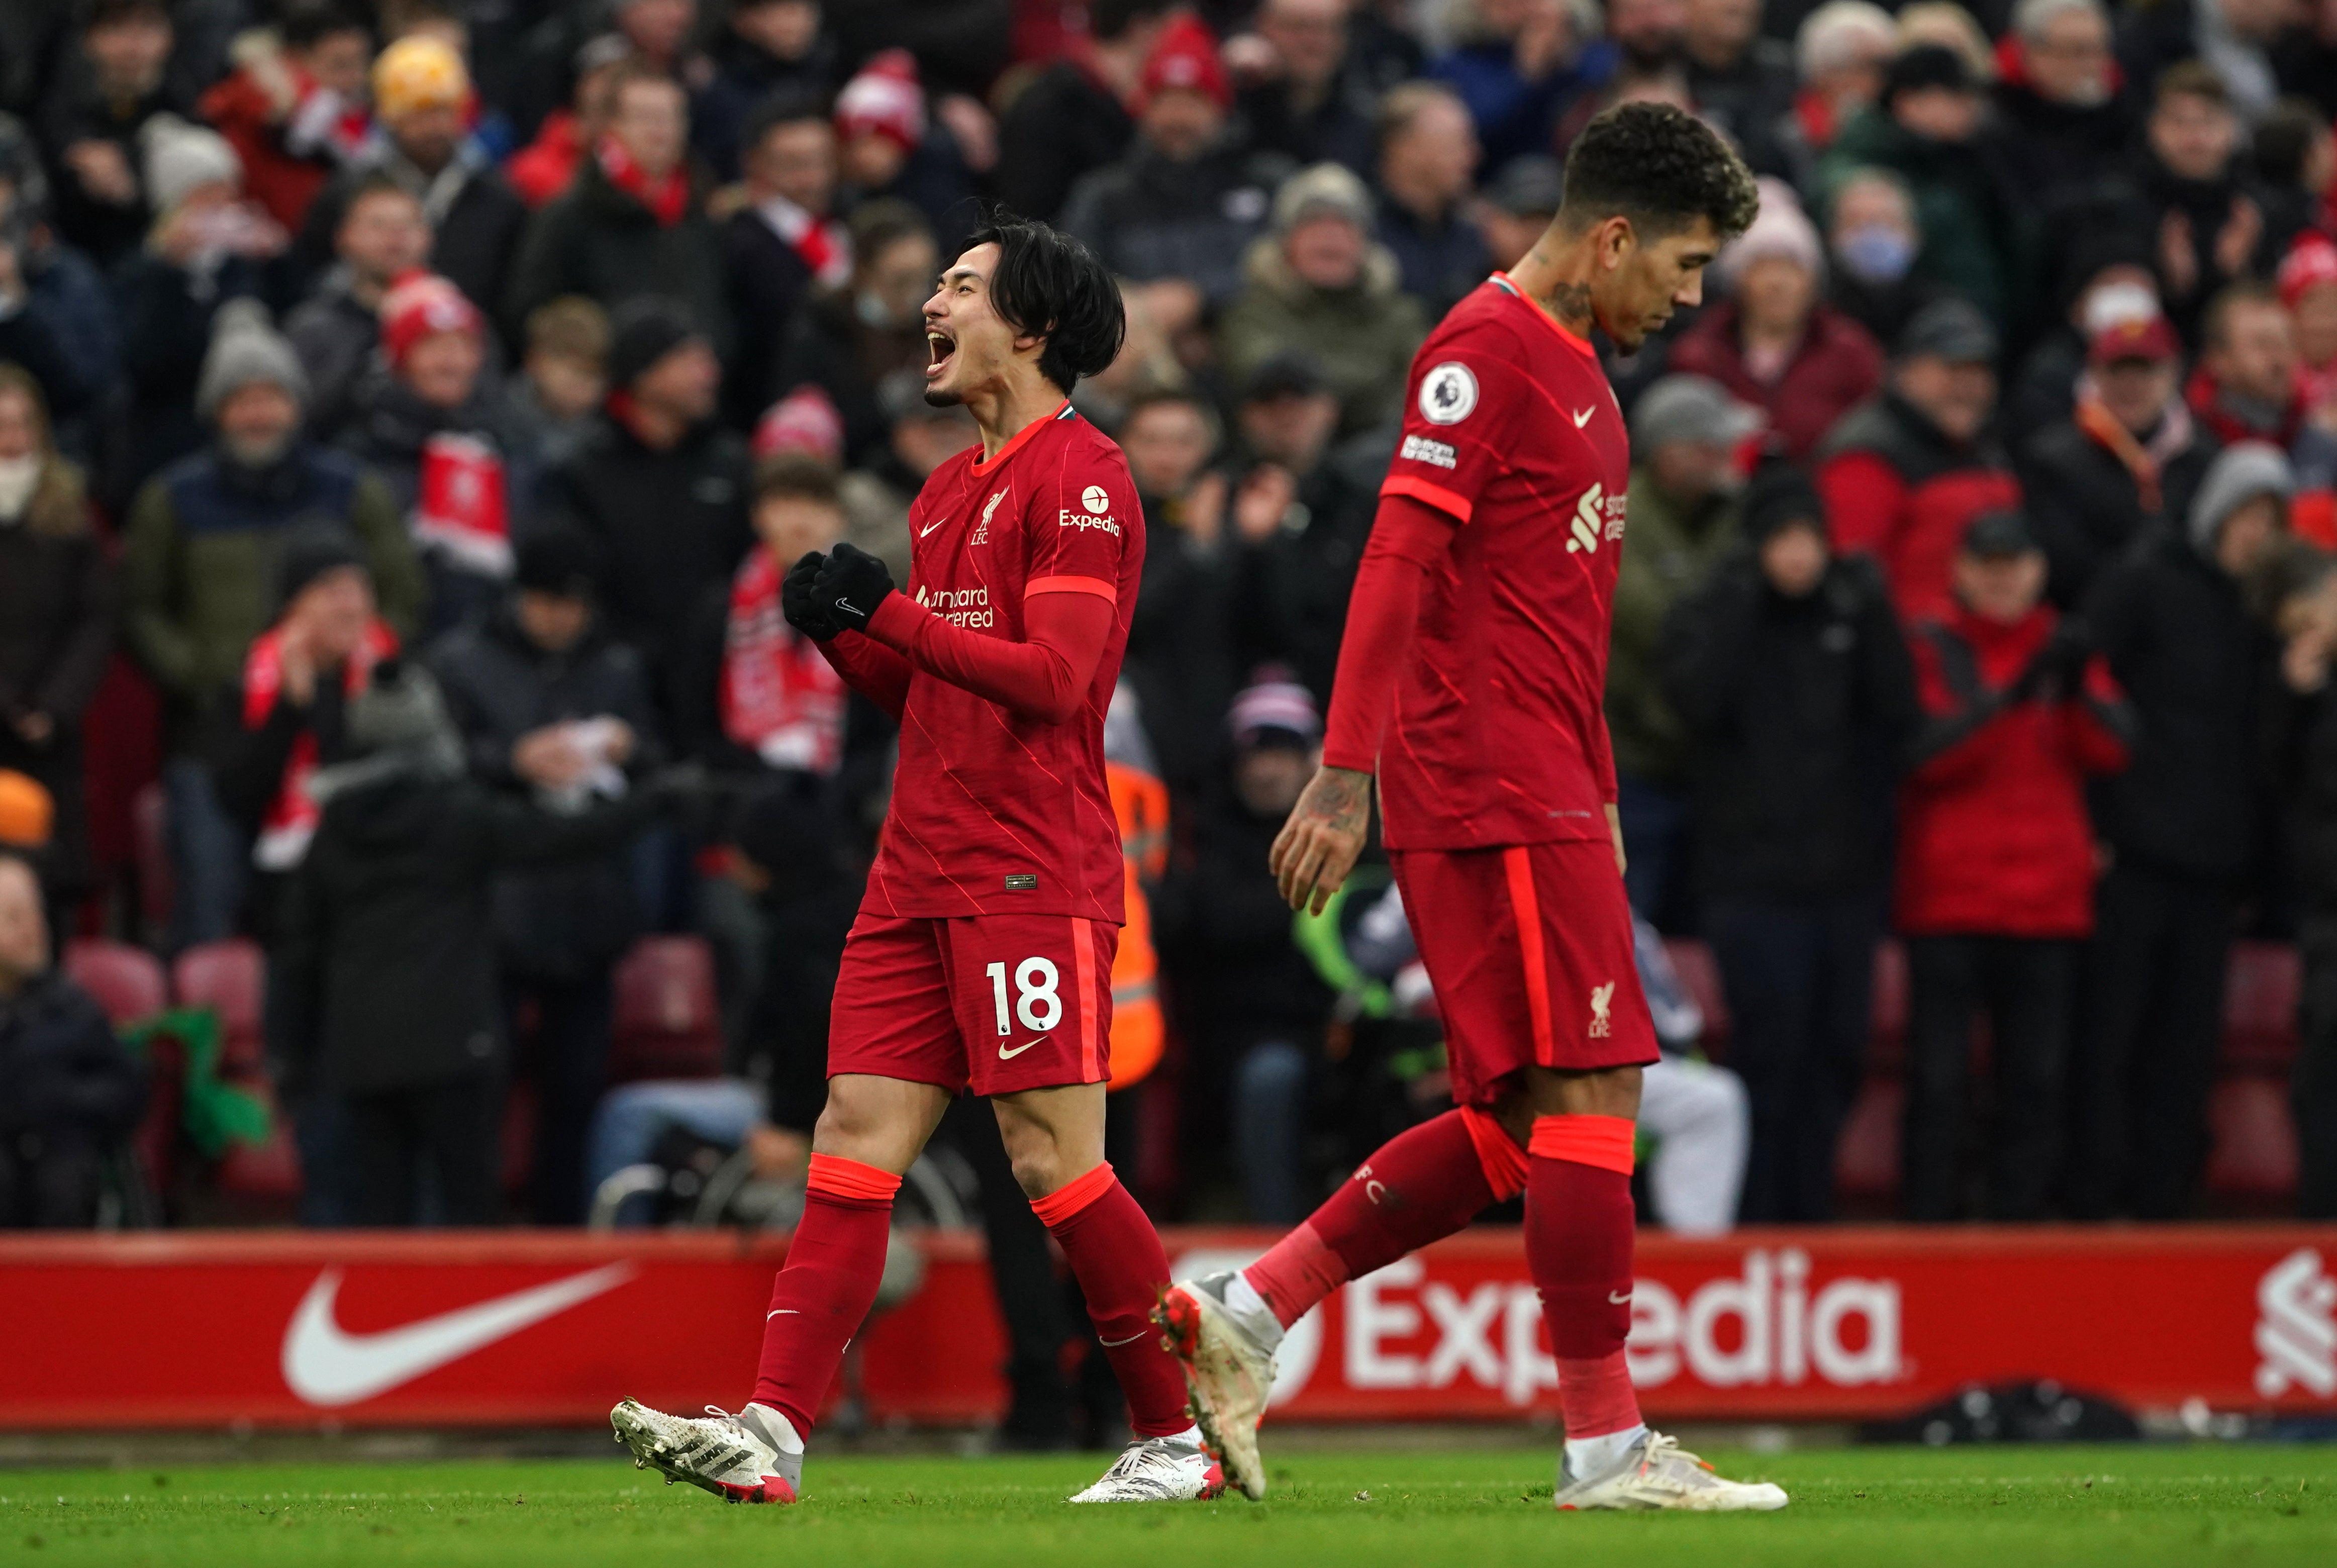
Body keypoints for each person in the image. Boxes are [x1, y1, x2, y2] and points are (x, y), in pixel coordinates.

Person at [1157, 103, 1783, 1512]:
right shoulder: (1481, 352)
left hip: (1554, 782)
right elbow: (1395, 562)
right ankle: (1606, 1448)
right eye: (1680, 266)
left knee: (1519, 1123)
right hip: (1487, 781)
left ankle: (1252, 1310)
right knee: (1595, 1090)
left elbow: (1561, 623)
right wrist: (1344, 767)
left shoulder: (1575, 366)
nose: (1686, 300)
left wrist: (1605, 799)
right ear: (1610, 236)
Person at [611, 217, 1209, 1506]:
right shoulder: (948, 488)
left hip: (1025, 866)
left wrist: (887, 612)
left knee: (1054, 1160)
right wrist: (842, 632)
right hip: (918, 863)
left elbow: (1050, 682)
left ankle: (1180, 1430)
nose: (932, 304)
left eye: (961, 287)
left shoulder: (1086, 476)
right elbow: (936, 692)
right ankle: (774, 1429)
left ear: (1032, 329)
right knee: (853, 1132)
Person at [272, 658, 688, 1227]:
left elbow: (297, 952)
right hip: (455, 1041)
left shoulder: (331, 835)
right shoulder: (458, 816)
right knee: (469, 1213)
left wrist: (290, 1056)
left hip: (361, 1049)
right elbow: (565, 838)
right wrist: (656, 800)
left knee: (380, 1223)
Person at [122, 302, 424, 947]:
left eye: (273, 398)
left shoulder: (349, 489)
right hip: (213, 739)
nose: (259, 414)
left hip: (344, 737)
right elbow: (140, 608)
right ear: (217, 411)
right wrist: (202, 674)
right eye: (242, 400)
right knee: (211, 904)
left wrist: (361, 658)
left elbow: (403, 591)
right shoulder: (173, 499)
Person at [1663, 462, 1917, 1224]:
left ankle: (1811, 1213)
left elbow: (1897, 715)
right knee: (1767, 1056)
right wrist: (1742, 604)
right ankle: (1757, 1220)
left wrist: (1873, 618)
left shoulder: (1851, 609)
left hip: (1843, 880)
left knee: (1837, 1052)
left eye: (1810, 537)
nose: (1799, 555)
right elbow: (1694, 704)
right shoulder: (1717, 610)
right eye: (1782, 538)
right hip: (1750, 884)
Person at [2069, 441, 2288, 1219]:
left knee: (2185, 1053)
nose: (2253, 536)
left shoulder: (2263, 615)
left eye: (2270, 521)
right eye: (2246, 516)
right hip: (2131, 854)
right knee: (2108, 1041)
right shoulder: (2144, 581)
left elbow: (2268, 750)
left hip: (2213, 870)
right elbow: (2081, 686)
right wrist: (2095, 822)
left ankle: (2163, 1208)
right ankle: (2092, 1205)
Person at [1894, 511, 2132, 1221]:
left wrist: (2078, 690)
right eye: (1988, 565)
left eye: (2015, 565)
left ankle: (2017, 1230)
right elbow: (1927, 757)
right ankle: (1927, 1231)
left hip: (2047, 902)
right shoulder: (1930, 645)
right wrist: (2011, 700)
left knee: (2034, 1081)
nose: (2002, 581)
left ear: (2036, 571)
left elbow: (2113, 750)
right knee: (1938, 1081)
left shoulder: (2064, 648)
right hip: (1950, 899)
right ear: (1961, 570)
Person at [426, 529, 661, 1225]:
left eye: (575, 607)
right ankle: (475, 1229)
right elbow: (436, 770)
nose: (563, 619)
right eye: (549, 603)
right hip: (490, 917)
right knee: (479, 1090)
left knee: (576, 1088)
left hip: (587, 912)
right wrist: (513, 761)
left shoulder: (616, 667)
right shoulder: (461, 664)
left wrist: (630, 747)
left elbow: (656, 762)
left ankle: (563, 1229)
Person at [1152, 672, 1335, 1223]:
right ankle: (1278, 1241)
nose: (1267, 769)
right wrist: (1309, 908)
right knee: (1270, 1078)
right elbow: (1213, 923)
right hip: (1241, 1042)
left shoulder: (1351, 834)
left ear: (1312, 761)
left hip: (1344, 1034)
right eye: (1255, 755)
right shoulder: (1207, 839)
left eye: (1283, 752)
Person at [1605, 375, 1761, 924]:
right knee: (1629, 923)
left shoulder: (1734, 513)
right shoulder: (1617, 516)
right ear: (1669, 451)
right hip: (1633, 761)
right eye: (1709, 445)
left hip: (1711, 764)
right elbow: (1661, 625)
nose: (1726, 456)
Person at [545, 298, 753, 703]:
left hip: (722, 673)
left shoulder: (732, 464)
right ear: (644, 375)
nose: (709, 374)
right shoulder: (584, 471)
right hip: (617, 681)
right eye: (690, 361)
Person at [1058, 13, 1290, 316]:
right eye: (1166, 100)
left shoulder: (1267, 183)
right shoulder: (1102, 196)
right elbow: (1072, 284)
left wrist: (1198, 300)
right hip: (1134, 345)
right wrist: (1144, 310)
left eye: (1194, 100)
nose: (1179, 117)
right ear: (1144, 109)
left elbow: (1293, 270)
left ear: (1220, 109)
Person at [340, 270, 527, 635]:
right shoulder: (362, 451)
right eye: (434, 346)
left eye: (464, 346)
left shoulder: (506, 445)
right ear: (400, 358)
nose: (451, 362)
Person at [294, 36, 529, 324]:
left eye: (444, 110)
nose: (434, 126)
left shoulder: (498, 198)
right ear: (389, 116)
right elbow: (313, 272)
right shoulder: (347, 193)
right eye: (418, 113)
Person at [1817, 298, 2022, 622]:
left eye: (1980, 372)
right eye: (1953, 370)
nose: (1969, 387)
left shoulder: (1985, 447)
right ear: (1906, 373)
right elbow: (1849, 585)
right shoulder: (1867, 459)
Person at [503, 64, 729, 357]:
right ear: (612, 126)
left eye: (672, 118)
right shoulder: (569, 215)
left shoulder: (703, 212)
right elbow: (530, 314)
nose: (661, 132)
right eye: (646, 118)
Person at [0, 368, 112, 923]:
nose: (11, 441)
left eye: (22, 426)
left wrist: (52, 707)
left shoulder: (69, 510)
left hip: (50, 735)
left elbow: (94, 617)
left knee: (53, 894)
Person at [1665, 177, 1882, 462]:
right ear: (1739, 281)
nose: (1777, 283)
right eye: (1763, 268)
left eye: (1791, 268)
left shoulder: (1851, 353)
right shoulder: (1700, 354)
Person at [1818, 43, 2027, 332]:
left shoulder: (1969, 157)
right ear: (1909, 103)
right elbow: (1837, 189)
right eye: (1955, 97)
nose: (1970, 108)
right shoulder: (1866, 156)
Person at [2021, 312, 2219, 607]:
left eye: (2145, 370)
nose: (2130, 384)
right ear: (2094, 375)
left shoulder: (2205, 456)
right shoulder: (2053, 461)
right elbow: (2066, 569)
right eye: (2117, 370)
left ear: (2173, 373)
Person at [1219, 162, 1427, 436]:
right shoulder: (1254, 310)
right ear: (1286, 242)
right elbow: (1268, 377)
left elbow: (1426, 387)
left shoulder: (1400, 314)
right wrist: (1372, 386)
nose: (1331, 237)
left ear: (1365, 243)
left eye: (1344, 225)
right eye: (1314, 224)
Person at [0, 852, 145, 1227]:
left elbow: (129, 1092)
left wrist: (61, 1106)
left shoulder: (72, 1010)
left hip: (61, 1182)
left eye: (37, 914)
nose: (33, 930)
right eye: (15, 918)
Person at [722, 94, 848, 428]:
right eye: (796, 165)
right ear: (755, 164)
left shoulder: (844, 225)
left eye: (823, 161)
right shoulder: (740, 245)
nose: (815, 178)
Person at [197, 5, 374, 233]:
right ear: (297, 60)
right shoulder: (257, 102)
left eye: (362, 65)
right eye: (340, 66)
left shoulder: (350, 114)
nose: (356, 79)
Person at [994, 0, 1177, 222]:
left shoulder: (1145, 107)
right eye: (1179, 29)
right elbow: (1025, 219)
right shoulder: (1046, 108)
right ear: (1142, 28)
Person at [284, 175, 433, 442]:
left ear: (428, 238)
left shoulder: (458, 322)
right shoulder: (311, 328)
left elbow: (490, 419)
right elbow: (302, 422)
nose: (395, 236)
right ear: (344, 238)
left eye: (407, 225)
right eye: (378, 225)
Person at [1372, 81, 1488, 317]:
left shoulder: (1472, 238)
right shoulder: (1363, 233)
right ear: (1404, 148)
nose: (1474, 156)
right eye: (1459, 143)